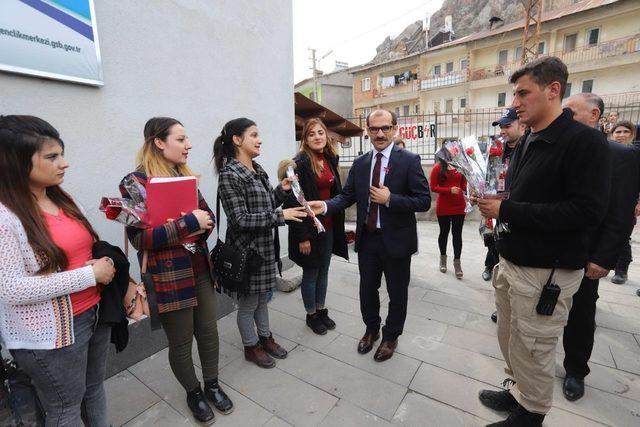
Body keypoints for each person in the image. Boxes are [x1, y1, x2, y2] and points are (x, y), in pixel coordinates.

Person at [476, 57, 610, 426]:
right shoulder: (530, 139)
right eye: (513, 94)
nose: (514, 103)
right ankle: (519, 392)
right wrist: (500, 205)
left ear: (554, 90)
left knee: (534, 348)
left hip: (545, 275)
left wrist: (509, 211)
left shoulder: (585, 143)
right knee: (512, 340)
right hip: (513, 264)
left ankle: (531, 415)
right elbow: (524, 198)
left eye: (522, 93)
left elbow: (586, 212)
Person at [0, 115, 116, 426]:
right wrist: (89, 276)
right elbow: (11, 288)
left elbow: (81, 249)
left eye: (61, 154)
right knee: (65, 408)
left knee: (94, 390)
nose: (64, 163)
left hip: (94, 314)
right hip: (54, 335)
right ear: (16, 161)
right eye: (52, 156)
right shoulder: (5, 217)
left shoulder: (58, 197)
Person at [121, 117, 232, 424]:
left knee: (209, 333)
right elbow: (140, 238)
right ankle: (193, 392)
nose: (189, 145)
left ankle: (212, 384)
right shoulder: (134, 184)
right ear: (159, 142)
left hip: (199, 269)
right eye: (181, 139)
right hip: (168, 276)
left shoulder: (184, 176)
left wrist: (196, 225)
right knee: (181, 342)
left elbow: (207, 217)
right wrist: (188, 225)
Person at [309, 109, 431, 362]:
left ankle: (391, 336)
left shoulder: (409, 160)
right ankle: (372, 330)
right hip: (368, 240)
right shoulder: (361, 163)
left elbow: (423, 201)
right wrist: (327, 205)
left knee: (397, 293)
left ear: (394, 128)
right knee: (367, 290)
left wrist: (391, 199)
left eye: (385, 128)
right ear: (367, 131)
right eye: (374, 129)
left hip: (397, 241)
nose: (380, 133)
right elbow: (347, 196)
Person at [561, 93, 640, 401]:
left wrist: (604, 257)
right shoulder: (556, 146)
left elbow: (621, 212)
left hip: (587, 254)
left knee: (581, 312)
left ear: (593, 115)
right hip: (549, 248)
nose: (563, 117)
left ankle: (575, 370)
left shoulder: (620, 156)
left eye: (571, 112)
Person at [213, 118, 307, 369]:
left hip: (264, 249)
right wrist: (281, 215)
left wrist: (282, 190)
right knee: (248, 304)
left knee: (263, 299)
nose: (259, 139)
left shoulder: (257, 168)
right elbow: (239, 219)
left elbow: (264, 205)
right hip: (247, 253)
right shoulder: (230, 174)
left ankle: (265, 338)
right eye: (253, 135)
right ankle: (250, 345)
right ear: (237, 140)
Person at [284, 118, 348, 335]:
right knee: (311, 272)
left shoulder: (329, 159)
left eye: (321, 132)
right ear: (305, 139)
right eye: (311, 134)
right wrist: (302, 237)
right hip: (309, 231)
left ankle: (321, 310)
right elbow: (292, 202)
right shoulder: (297, 165)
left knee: (324, 270)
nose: (318, 137)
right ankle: (311, 315)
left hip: (328, 227)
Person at [484, 108, 525, 283]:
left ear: (521, 125)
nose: (502, 131)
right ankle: (490, 267)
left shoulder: (527, 148)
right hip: (494, 204)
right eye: (501, 127)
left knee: (509, 248)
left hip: (516, 209)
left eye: (507, 126)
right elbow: (486, 175)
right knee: (491, 239)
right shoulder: (496, 148)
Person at [430, 148, 467, 278]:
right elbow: (433, 187)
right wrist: (449, 190)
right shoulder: (437, 168)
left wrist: (468, 190)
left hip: (459, 206)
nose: (453, 153)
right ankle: (443, 259)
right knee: (444, 233)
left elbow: (463, 184)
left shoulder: (460, 166)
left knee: (457, 235)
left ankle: (457, 263)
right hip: (444, 206)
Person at [610, 119, 638, 285]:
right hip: (608, 199)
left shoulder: (635, 153)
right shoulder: (607, 151)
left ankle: (621, 270)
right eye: (618, 132)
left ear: (632, 135)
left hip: (627, 201)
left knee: (623, 235)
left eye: (625, 132)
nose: (621, 135)